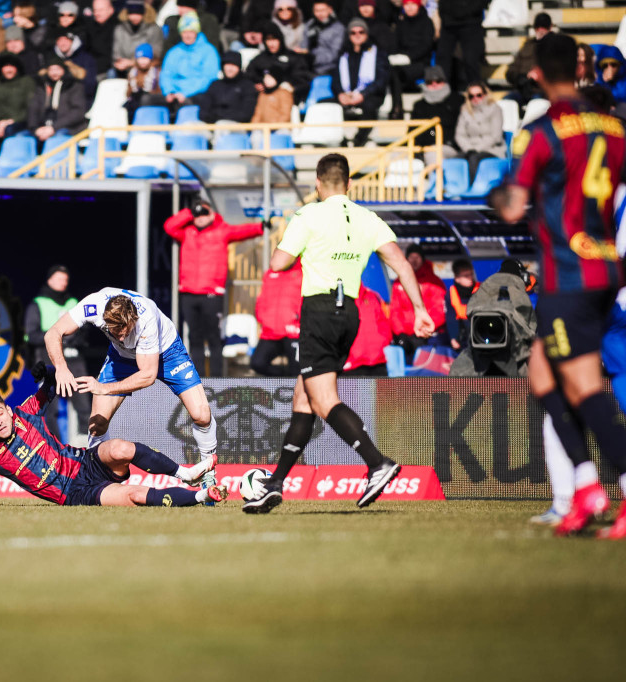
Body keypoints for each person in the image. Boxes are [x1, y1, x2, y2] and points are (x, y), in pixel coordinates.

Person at [242, 153, 434, 513]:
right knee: (305, 397)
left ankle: (378, 463)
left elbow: (277, 264)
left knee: (324, 399)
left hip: (319, 310)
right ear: (348, 184)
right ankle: (276, 483)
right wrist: (420, 310)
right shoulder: (367, 218)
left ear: (317, 184)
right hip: (350, 314)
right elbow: (400, 263)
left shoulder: (308, 215)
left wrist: (297, 245)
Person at [492, 32, 626, 537]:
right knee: (544, 375)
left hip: (569, 273)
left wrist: (497, 191)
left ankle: (607, 487)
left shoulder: (545, 130)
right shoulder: (613, 126)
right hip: (607, 269)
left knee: (585, 389)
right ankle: (587, 488)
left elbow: (511, 205)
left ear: (535, 75)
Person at [0, 366, 228, 507]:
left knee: (121, 447)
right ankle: (202, 497)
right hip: (74, 492)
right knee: (136, 496)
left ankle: (185, 474)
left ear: (8, 410)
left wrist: (47, 374)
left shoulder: (25, 411)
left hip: (84, 461)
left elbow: (52, 389)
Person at [43, 288, 220, 498]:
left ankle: (208, 470)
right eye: (115, 332)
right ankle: (98, 477)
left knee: (201, 414)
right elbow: (52, 333)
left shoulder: (146, 319)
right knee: (96, 423)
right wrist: (61, 368)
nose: (121, 335)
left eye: (125, 330)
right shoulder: (93, 305)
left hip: (167, 353)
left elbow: (147, 375)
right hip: (120, 358)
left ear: (133, 319)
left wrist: (103, 388)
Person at [164, 200, 264, 377]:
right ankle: (198, 379)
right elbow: (169, 226)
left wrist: (261, 226)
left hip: (212, 294)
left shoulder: (221, 230)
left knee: (213, 338)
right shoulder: (187, 232)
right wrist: (189, 212)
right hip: (188, 293)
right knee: (194, 338)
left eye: (204, 213)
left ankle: (217, 380)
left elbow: (243, 231)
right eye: (197, 215)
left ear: (211, 213)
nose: (200, 218)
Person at [23, 265, 91, 442]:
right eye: (59, 278)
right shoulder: (38, 303)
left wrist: (75, 339)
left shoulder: (73, 302)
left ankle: (86, 446)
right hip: (48, 359)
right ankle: (54, 445)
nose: (63, 283)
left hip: (74, 359)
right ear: (50, 280)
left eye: (65, 279)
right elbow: (30, 335)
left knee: (84, 404)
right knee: (49, 406)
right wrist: (59, 338)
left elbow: (85, 330)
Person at [331, 17, 389, 146]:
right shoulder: (343, 54)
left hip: (369, 94)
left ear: (366, 34)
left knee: (369, 106)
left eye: (361, 32)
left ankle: (359, 139)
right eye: (353, 32)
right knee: (324, 105)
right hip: (347, 95)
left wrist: (363, 94)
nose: (357, 35)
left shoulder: (377, 52)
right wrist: (340, 94)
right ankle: (338, 139)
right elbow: (335, 79)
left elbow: (381, 79)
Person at [389, 243, 447, 360]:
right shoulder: (398, 283)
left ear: (422, 259)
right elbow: (395, 311)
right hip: (406, 338)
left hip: (428, 336)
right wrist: (400, 333)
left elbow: (439, 311)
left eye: (417, 257)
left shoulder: (433, 282)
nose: (414, 261)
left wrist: (425, 330)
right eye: (411, 257)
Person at [159, 13, 221, 115]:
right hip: (174, 93)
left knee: (186, 103)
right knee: (147, 100)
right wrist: (169, 91)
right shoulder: (174, 51)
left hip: (197, 93)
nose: (187, 35)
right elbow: (166, 74)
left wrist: (185, 93)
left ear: (196, 32)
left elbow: (208, 78)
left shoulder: (208, 51)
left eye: (191, 32)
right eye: (184, 32)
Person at [251, 263, 303, 376]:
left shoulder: (303, 272)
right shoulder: (270, 273)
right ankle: (283, 380)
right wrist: (262, 317)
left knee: (296, 370)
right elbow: (261, 298)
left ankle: (291, 385)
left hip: (294, 331)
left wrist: (298, 318)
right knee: (257, 363)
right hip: (271, 330)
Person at [388, 0, 435, 119]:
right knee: (391, 71)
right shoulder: (401, 23)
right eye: (406, 4)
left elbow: (426, 45)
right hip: (402, 63)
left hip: (421, 63)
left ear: (418, 6)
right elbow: (395, 44)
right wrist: (395, 56)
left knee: (397, 73)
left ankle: (397, 109)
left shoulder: (427, 22)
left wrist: (409, 57)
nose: (409, 8)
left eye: (412, 4)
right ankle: (397, 107)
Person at [27, 55, 89, 144]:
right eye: (51, 70)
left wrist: (53, 128)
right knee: (21, 137)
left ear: (64, 70)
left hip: (68, 128)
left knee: (58, 138)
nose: (54, 73)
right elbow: (33, 108)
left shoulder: (74, 86)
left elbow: (78, 112)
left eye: (57, 69)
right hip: (43, 128)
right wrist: (35, 128)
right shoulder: (42, 87)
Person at [245, 23, 312, 106]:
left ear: (280, 40)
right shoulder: (260, 59)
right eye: (268, 40)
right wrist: (258, 85)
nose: (271, 44)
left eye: (274, 39)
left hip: (287, 100)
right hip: (262, 100)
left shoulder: (293, 57)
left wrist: (286, 85)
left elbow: (303, 80)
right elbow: (249, 75)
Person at [409, 65, 461, 167]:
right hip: (422, 147)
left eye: (438, 81)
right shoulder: (419, 105)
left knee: (433, 154)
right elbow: (412, 131)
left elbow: (459, 130)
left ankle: (437, 182)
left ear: (444, 81)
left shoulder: (457, 101)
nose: (434, 84)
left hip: (449, 146)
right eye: (429, 82)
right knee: (394, 155)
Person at [0, 52, 35, 149]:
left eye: (12, 66)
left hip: (19, 121)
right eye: (6, 66)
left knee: (9, 130)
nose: (9, 70)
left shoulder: (26, 82)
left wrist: (11, 121)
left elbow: (30, 107)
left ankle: (7, 160)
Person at [455, 81, 505, 181]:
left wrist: (477, 148)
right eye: (471, 96)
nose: (475, 99)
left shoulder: (495, 109)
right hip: (469, 149)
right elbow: (459, 135)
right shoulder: (465, 111)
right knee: (455, 159)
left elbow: (496, 136)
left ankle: (471, 187)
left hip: (491, 149)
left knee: (474, 159)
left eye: (479, 95)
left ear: (485, 95)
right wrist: (468, 148)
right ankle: (453, 187)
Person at [342, 284, 392, 375]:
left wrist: (383, 341)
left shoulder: (372, 296)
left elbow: (383, 323)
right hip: (351, 365)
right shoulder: (335, 300)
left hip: (378, 361)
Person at [198, 51, 258, 124]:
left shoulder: (247, 86)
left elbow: (246, 114)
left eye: (233, 65)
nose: (230, 69)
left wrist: (219, 116)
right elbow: (203, 111)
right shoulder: (215, 85)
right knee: (190, 127)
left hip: (236, 127)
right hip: (211, 124)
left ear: (239, 67)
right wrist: (213, 118)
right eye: (227, 64)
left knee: (222, 125)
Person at [505, 12, 551, 107]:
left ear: (550, 28)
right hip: (522, 90)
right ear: (534, 28)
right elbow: (511, 71)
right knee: (505, 103)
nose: (541, 30)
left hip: (543, 91)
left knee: (536, 104)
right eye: (538, 27)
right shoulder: (527, 46)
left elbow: (561, 72)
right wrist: (520, 77)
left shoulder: (556, 45)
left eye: (544, 27)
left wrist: (539, 75)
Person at [436, 0, 487, 86]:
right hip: (448, 22)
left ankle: (475, 91)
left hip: (471, 22)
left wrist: (469, 10)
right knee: (442, 58)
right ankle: (440, 90)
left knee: (471, 59)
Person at [112, 1, 163, 76]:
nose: (134, 17)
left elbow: (156, 53)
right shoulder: (120, 29)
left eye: (138, 13)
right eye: (131, 13)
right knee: (112, 73)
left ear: (144, 13)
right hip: (124, 69)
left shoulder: (154, 29)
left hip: (146, 68)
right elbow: (116, 54)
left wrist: (132, 63)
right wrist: (120, 63)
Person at [53, 30, 98, 99]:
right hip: (60, 99)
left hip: (82, 98)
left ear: (73, 42)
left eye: (66, 40)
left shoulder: (85, 58)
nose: (62, 44)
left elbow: (90, 84)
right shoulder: (55, 60)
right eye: (59, 41)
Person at [305, 0, 345, 76]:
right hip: (307, 67)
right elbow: (304, 46)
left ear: (330, 10)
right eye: (316, 10)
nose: (319, 14)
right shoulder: (310, 25)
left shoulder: (338, 28)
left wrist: (313, 58)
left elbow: (335, 54)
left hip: (329, 69)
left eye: (322, 10)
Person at [445, 257, 477, 350]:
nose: (470, 278)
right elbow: (450, 317)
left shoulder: (482, 290)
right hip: (462, 338)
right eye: (466, 276)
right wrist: (453, 338)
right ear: (457, 278)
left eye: (471, 274)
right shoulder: (450, 294)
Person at [124, 44, 162, 120]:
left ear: (150, 59)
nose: (142, 61)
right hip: (136, 102)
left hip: (152, 100)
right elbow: (129, 91)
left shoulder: (156, 72)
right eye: (140, 58)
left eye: (145, 58)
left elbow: (159, 90)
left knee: (144, 99)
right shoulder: (132, 73)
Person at [82, 0, 117, 76]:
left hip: (112, 69)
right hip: (93, 69)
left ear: (111, 10)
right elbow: (86, 51)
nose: (97, 13)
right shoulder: (90, 27)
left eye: (101, 10)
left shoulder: (118, 27)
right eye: (95, 10)